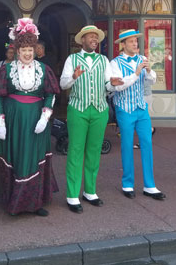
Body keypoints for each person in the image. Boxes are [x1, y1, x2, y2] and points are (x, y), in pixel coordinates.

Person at [0, 18, 60, 216]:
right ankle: (13, 200)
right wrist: (0, 123)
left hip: (35, 121)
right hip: (13, 120)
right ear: (17, 51)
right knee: (16, 156)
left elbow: (51, 94)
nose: (28, 53)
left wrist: (44, 117)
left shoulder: (44, 69)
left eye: (31, 50)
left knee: (33, 157)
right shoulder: (6, 69)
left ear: (35, 49)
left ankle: (34, 203)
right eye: (24, 50)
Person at [60, 24, 123, 213]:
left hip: (99, 109)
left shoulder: (104, 60)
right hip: (78, 109)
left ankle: (90, 191)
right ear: (82, 40)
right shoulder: (72, 59)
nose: (95, 40)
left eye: (96, 37)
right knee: (76, 151)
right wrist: (73, 76)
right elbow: (63, 84)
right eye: (91, 37)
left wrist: (113, 84)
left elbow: (108, 85)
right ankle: (72, 194)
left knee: (94, 151)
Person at [110, 29, 165, 201]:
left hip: (141, 108)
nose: (135, 44)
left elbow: (152, 81)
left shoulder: (142, 59)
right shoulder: (115, 63)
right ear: (123, 44)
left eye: (136, 41)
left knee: (147, 143)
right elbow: (118, 86)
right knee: (127, 144)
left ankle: (150, 185)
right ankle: (127, 183)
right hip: (124, 108)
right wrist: (135, 74)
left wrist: (148, 71)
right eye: (132, 41)